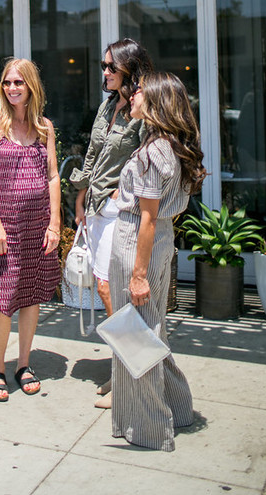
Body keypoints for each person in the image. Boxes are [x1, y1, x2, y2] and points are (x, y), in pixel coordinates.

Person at [108, 71, 207, 451]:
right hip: (158, 238)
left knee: (134, 336)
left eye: (138, 93)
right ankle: (179, 409)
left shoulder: (153, 151)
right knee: (151, 330)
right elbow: (159, 212)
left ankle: (150, 428)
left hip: (138, 241)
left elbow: (147, 218)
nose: (131, 97)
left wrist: (137, 275)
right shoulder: (169, 146)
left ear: (155, 102)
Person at [70, 38, 153, 406]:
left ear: (129, 70)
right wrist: (80, 198)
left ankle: (129, 375)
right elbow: (93, 153)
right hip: (97, 209)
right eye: (103, 66)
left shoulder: (142, 109)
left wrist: (126, 195)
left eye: (110, 67)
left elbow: (149, 156)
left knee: (114, 290)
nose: (104, 72)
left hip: (122, 213)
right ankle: (125, 368)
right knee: (104, 288)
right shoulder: (107, 107)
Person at [0, 58, 61, 402]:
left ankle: (23, 364)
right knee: (2, 298)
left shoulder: (44, 127)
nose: (12, 88)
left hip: (38, 224)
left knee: (31, 296)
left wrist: (55, 223)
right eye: (7, 83)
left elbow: (54, 175)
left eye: (19, 83)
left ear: (31, 87)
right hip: (5, 226)